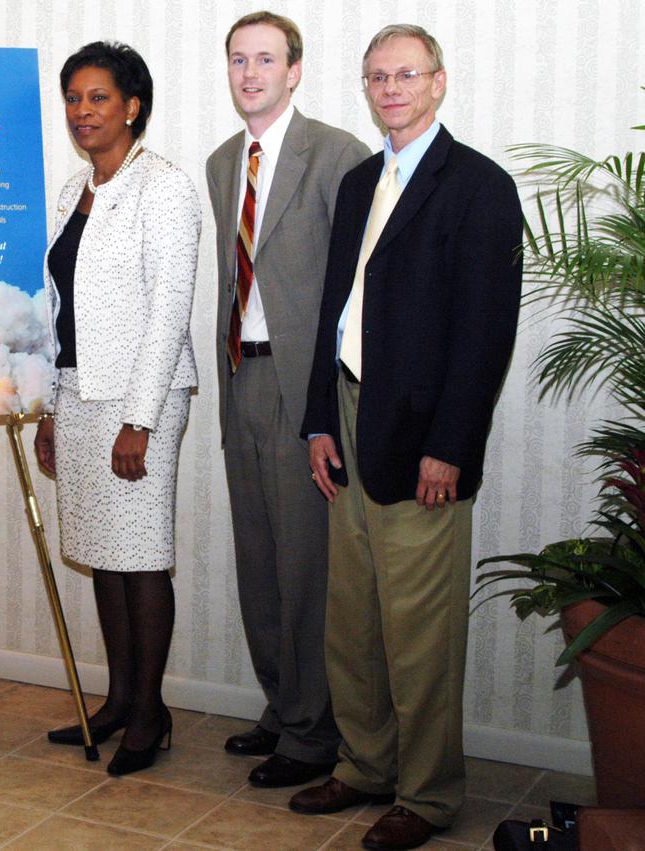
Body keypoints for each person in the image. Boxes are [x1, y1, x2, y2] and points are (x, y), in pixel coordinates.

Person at [292, 25, 522, 850]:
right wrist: (320, 416)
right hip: (350, 419)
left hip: (424, 436)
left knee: (419, 628)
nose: (390, 88)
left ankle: (425, 795)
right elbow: (334, 311)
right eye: (376, 76)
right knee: (350, 617)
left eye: (405, 74)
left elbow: (485, 331)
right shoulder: (358, 182)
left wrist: (452, 444)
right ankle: (363, 764)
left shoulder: (480, 187)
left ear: (438, 83)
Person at [205, 12, 370, 790]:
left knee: (307, 565)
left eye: (265, 59)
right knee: (259, 559)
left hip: (303, 384)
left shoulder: (338, 155)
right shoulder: (220, 162)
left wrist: (326, 410)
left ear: (295, 70)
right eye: (238, 59)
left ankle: (313, 732)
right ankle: (284, 703)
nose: (250, 73)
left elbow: (351, 290)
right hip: (239, 374)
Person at [34, 41, 200, 777]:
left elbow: (169, 312)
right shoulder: (74, 189)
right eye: (73, 98)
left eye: (98, 97)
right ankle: (118, 699)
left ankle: (150, 713)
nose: (82, 111)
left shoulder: (163, 187)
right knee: (103, 554)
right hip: (77, 392)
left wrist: (140, 418)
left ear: (132, 106)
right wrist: (45, 405)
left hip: (141, 398)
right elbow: (55, 307)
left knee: (140, 558)